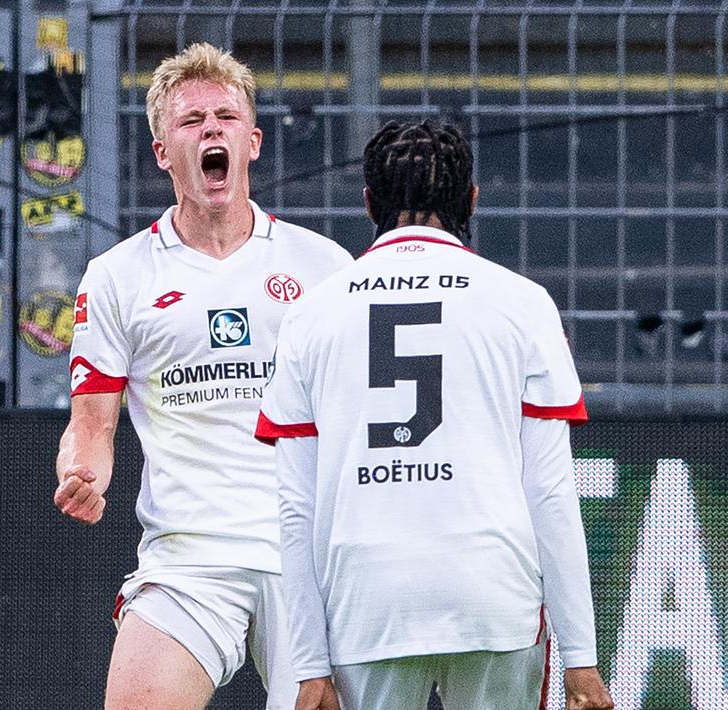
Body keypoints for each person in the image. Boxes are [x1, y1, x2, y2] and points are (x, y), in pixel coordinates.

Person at [254, 118, 614, 710]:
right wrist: (580, 660)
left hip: (366, 605)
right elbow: (550, 492)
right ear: (471, 200)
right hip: (494, 599)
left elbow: (296, 508)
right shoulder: (523, 304)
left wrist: (309, 664)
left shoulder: (310, 317)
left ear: (369, 202)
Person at [53, 42, 352, 710]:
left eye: (224, 117)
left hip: (304, 560)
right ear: (163, 152)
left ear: (251, 142)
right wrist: (83, 472)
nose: (210, 129)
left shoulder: (323, 265)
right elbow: (90, 424)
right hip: (188, 560)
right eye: (191, 121)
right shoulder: (118, 275)